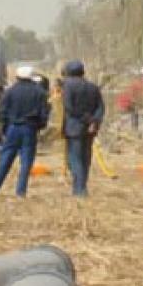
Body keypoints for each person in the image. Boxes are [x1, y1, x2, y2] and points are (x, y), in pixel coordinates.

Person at [0, 66, 50, 198]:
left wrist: (4, 128)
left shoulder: (9, 92)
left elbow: (2, 112)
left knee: (5, 158)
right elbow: (44, 114)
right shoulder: (40, 93)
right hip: (30, 128)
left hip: (13, 128)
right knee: (26, 161)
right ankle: (21, 191)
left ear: (17, 77)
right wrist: (38, 126)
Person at [62, 60, 106, 197]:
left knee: (74, 160)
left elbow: (70, 108)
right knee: (85, 159)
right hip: (90, 129)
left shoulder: (68, 86)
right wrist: (94, 121)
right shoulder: (93, 87)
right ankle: (80, 187)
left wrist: (85, 119)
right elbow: (101, 107)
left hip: (74, 128)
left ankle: (80, 189)